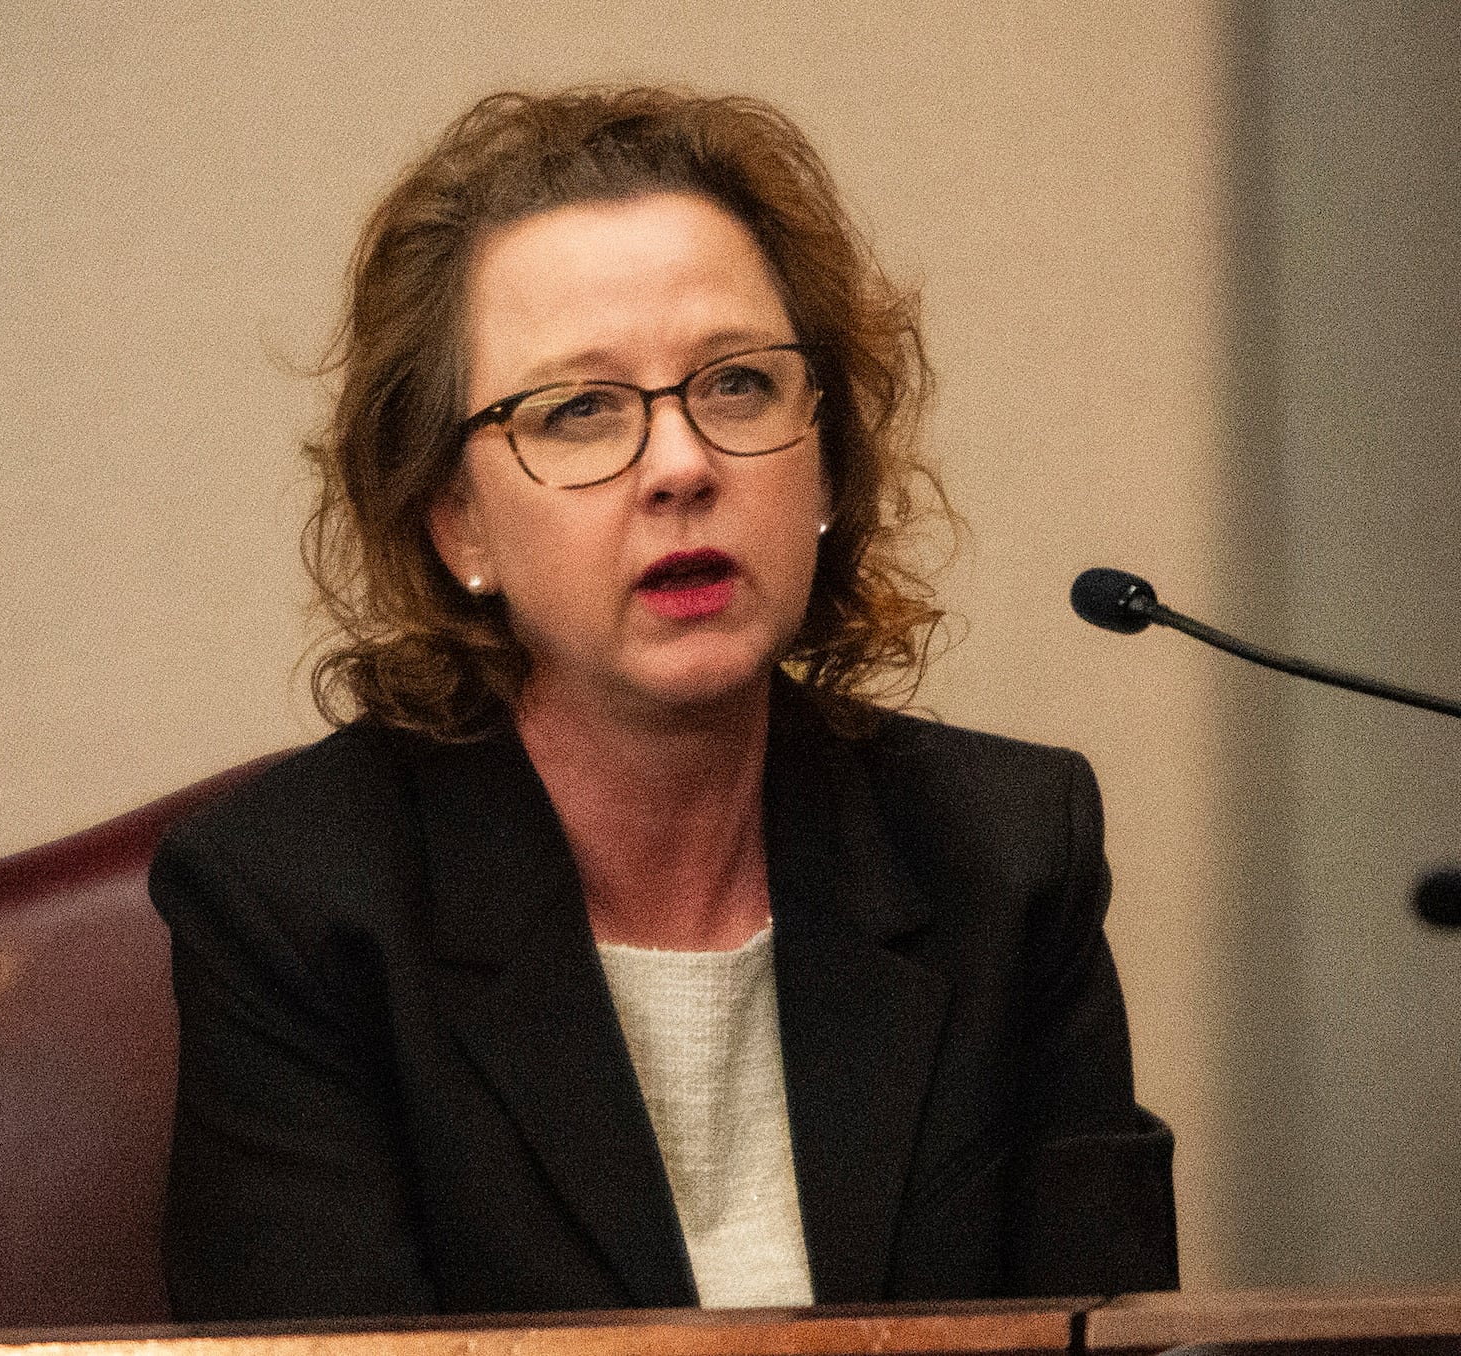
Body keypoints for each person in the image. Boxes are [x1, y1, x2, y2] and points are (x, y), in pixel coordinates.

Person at [149, 85, 1177, 1323]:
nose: (681, 466)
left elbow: (1103, 1333)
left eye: (737, 385)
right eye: (578, 411)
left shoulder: (1004, 856)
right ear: (456, 522)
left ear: (826, 461)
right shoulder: (298, 907)